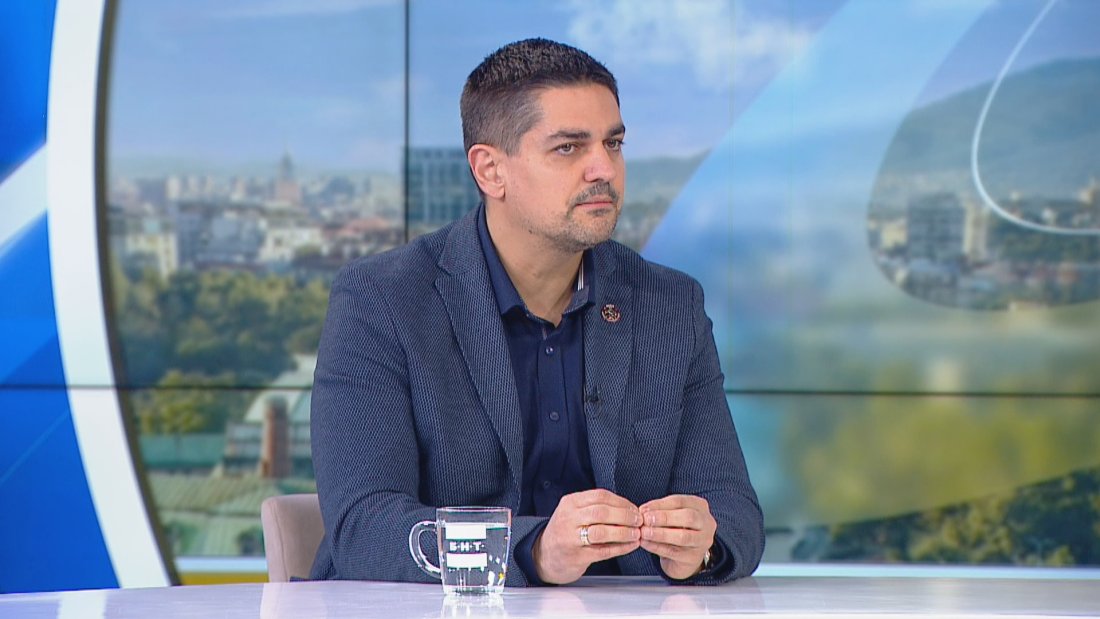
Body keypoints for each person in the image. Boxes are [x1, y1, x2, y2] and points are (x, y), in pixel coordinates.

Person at [309, 37, 763, 586]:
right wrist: (534, 551)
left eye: (613, 143)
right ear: (490, 171)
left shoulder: (669, 305)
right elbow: (364, 528)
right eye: (569, 148)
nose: (604, 168)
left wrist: (701, 545)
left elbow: (734, 511)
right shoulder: (383, 301)